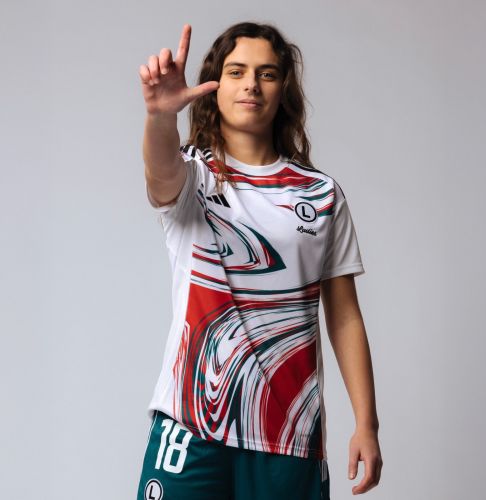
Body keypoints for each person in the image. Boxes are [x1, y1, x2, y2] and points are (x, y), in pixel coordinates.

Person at [136, 21, 382, 500]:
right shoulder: (193, 176)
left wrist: (366, 424)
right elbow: (160, 172)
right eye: (237, 71)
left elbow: (345, 316)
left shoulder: (321, 194)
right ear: (215, 86)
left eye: (266, 73)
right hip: (192, 426)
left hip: (288, 436)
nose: (251, 83)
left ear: (283, 89)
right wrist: (160, 117)